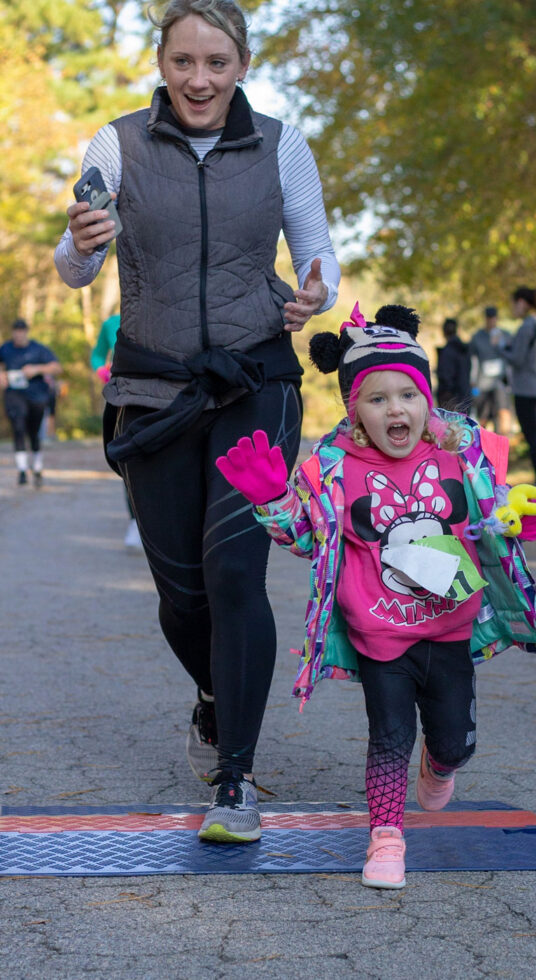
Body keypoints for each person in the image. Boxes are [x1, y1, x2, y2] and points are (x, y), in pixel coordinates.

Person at [54, 0, 341, 843]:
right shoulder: (119, 143)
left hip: (256, 380)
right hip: (153, 388)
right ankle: (217, 696)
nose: (199, 79)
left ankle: (237, 780)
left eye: (216, 62)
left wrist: (315, 289)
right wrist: (79, 241)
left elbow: (315, 250)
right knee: (179, 590)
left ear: (242, 64)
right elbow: (78, 268)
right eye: (184, 61)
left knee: (234, 573)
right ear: (163, 62)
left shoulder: (281, 142)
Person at [216, 302, 536, 888]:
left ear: (426, 400)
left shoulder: (462, 453)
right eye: (377, 400)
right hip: (379, 634)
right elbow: (305, 537)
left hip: (450, 629)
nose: (395, 409)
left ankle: (442, 760)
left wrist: (520, 522)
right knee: (389, 736)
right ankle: (385, 838)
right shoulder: (332, 468)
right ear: (356, 412)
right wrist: (273, 499)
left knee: (454, 741)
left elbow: (499, 512)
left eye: (407, 394)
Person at [90, 312, 142, 549]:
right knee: (128, 456)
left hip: (163, 396)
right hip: (122, 397)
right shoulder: (111, 323)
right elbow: (97, 355)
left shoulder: (162, 311)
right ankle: (134, 522)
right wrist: (102, 371)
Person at [0, 319, 61, 487]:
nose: (19, 334)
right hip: (14, 394)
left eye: (22, 331)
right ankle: (21, 470)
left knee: (33, 433)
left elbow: (57, 367)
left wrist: (36, 369)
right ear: (12, 332)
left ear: (26, 332)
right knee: (18, 427)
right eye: (16, 331)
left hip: (37, 396)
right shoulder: (5, 348)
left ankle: (37, 467)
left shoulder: (39, 349)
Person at [502, 287, 536, 487]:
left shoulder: (528, 325)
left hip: (526, 388)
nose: (513, 309)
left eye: (514, 304)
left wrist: (501, 348)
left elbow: (517, 358)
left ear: (521, 302)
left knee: (534, 437)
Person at [469, 306, 512, 435]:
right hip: (483, 382)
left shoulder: (505, 335)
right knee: (483, 414)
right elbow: (473, 360)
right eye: (489, 319)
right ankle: (484, 443)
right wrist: (473, 380)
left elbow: (511, 356)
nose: (491, 321)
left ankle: (503, 441)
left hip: (500, 381)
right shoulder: (477, 337)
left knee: (502, 411)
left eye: (493, 318)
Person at [435, 316, 472, 413]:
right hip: (465, 396)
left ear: (444, 332)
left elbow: (445, 376)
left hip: (451, 400)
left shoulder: (447, 351)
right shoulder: (465, 350)